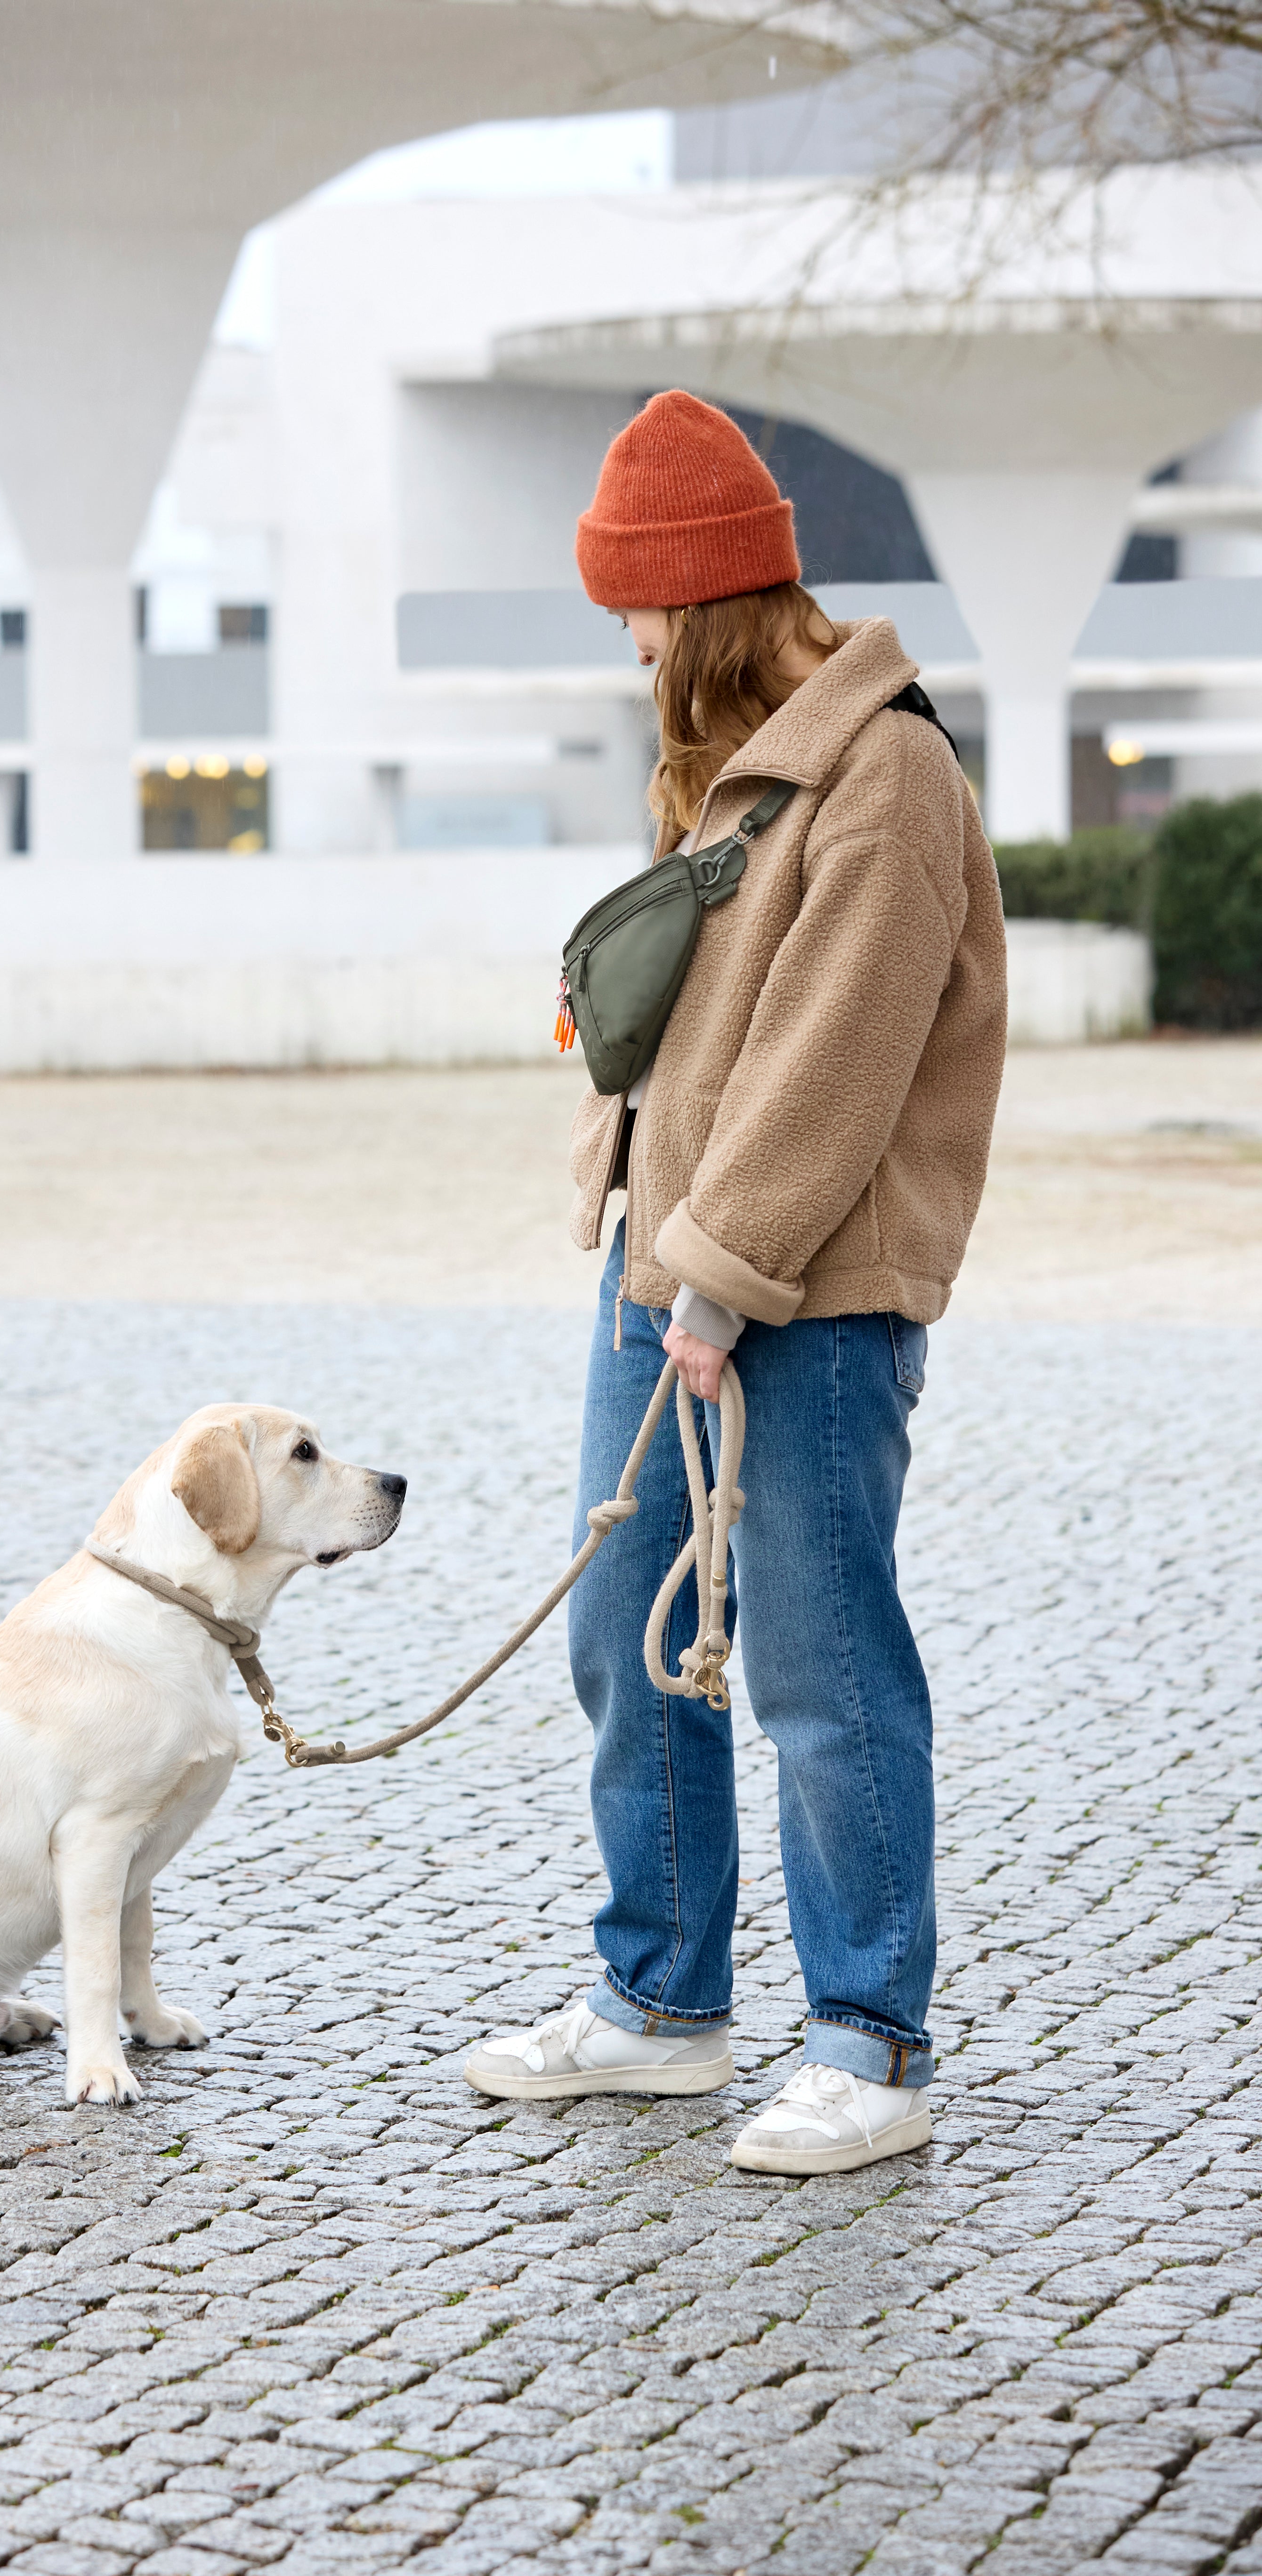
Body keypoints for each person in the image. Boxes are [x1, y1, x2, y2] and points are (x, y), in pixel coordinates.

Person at [464, 392, 1007, 2174]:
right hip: (667, 1262)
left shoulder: (889, 773)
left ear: (696, 599)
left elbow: (834, 1065)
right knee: (637, 1634)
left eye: (634, 607)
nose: (623, 641)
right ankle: (662, 2009)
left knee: (818, 1659)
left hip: (811, 1296)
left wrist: (718, 1284)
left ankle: (870, 2039)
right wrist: (650, 1245)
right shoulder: (734, 771)